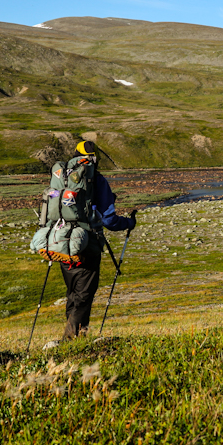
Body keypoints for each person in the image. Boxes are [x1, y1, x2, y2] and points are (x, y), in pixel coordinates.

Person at [60, 140, 136, 340]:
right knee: (85, 295)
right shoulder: (97, 180)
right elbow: (109, 220)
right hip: (87, 245)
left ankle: (76, 336)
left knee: (73, 293)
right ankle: (70, 340)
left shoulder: (64, 177)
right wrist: (129, 223)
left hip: (61, 243)